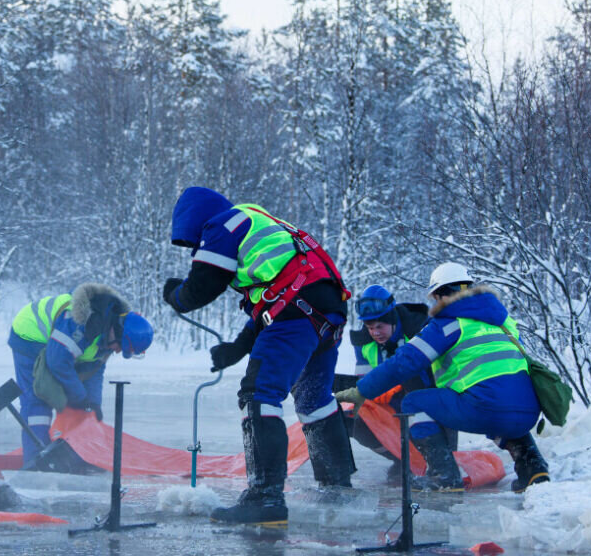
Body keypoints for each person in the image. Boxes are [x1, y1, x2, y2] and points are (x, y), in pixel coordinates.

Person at [163, 186, 355, 525]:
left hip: (297, 312)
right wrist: (237, 348)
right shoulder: (260, 223)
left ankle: (264, 497)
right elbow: (277, 299)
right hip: (326, 313)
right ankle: (337, 486)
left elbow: (202, 287)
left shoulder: (222, 224)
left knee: (258, 394)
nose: (196, 249)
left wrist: (176, 296)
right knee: (313, 400)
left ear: (194, 222)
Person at [336, 262, 550, 492]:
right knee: (502, 406)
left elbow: (404, 362)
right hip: (528, 411)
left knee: (414, 402)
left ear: (438, 295)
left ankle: (443, 476)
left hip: (487, 408)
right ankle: (534, 469)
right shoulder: (504, 322)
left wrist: (361, 391)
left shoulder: (448, 324)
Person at [8, 283, 153, 468]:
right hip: (30, 336)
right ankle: (35, 460)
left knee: (73, 400)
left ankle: (67, 454)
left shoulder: (108, 335)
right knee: (38, 400)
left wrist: (92, 403)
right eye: (120, 347)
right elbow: (58, 362)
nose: (117, 351)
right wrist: (79, 397)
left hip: (57, 348)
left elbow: (94, 370)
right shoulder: (79, 324)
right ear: (117, 332)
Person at [347, 285, 458, 482]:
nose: (375, 333)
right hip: (392, 407)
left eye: (379, 326)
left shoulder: (421, 329)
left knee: (445, 455)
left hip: (432, 403)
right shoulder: (363, 343)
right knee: (356, 420)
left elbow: (436, 378)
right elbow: (364, 382)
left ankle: (435, 463)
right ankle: (402, 459)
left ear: (392, 320)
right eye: (370, 328)